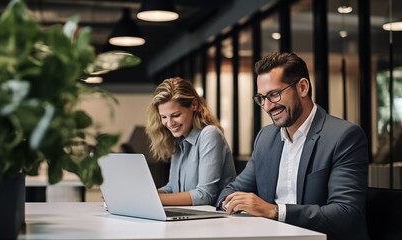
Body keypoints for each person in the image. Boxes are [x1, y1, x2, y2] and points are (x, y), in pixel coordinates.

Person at [216, 52, 369, 240]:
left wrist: (274, 211)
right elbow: (229, 192)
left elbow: (345, 213)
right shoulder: (265, 138)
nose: (267, 107)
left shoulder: (344, 136)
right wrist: (229, 203)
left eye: (274, 95)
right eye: (261, 98)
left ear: (303, 87)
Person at [146, 77, 236, 206]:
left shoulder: (209, 134)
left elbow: (205, 195)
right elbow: (172, 188)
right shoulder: (179, 140)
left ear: (194, 105)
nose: (170, 123)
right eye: (164, 117)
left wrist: (151, 199)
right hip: (190, 217)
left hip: (214, 220)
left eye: (176, 115)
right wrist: (145, 195)